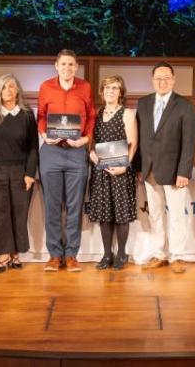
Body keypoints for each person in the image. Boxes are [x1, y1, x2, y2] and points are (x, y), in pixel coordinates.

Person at [36, 49, 95, 273]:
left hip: (76, 152)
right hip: (51, 151)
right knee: (52, 206)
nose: (67, 68)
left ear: (76, 67)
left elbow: (90, 116)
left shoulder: (85, 87)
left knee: (74, 205)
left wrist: (86, 139)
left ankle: (71, 255)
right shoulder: (46, 87)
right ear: (56, 65)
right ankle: (54, 255)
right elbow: (41, 116)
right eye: (63, 64)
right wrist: (44, 135)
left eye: (71, 64)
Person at [137, 62, 195, 273]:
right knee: (154, 213)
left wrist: (184, 171)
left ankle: (178, 255)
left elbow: (189, 141)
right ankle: (159, 253)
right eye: (158, 78)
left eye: (166, 78)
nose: (162, 82)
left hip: (174, 171)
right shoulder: (143, 103)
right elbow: (141, 138)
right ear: (152, 80)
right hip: (149, 169)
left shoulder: (184, 105)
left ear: (173, 80)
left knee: (176, 215)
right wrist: (139, 167)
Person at [0, 74, 39, 273]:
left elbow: (33, 147)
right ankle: (3, 254)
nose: (8, 90)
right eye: (4, 87)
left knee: (19, 213)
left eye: (11, 86)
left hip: (21, 171)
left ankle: (16, 253)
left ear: (17, 90)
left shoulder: (27, 114)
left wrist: (30, 173)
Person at [84, 75, 138, 271]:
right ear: (102, 91)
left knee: (121, 214)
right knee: (105, 215)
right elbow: (91, 143)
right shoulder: (96, 115)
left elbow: (133, 143)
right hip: (101, 172)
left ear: (121, 92)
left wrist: (125, 165)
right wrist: (91, 154)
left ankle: (122, 253)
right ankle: (107, 254)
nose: (111, 91)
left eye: (115, 88)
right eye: (107, 87)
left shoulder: (127, 114)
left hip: (121, 171)